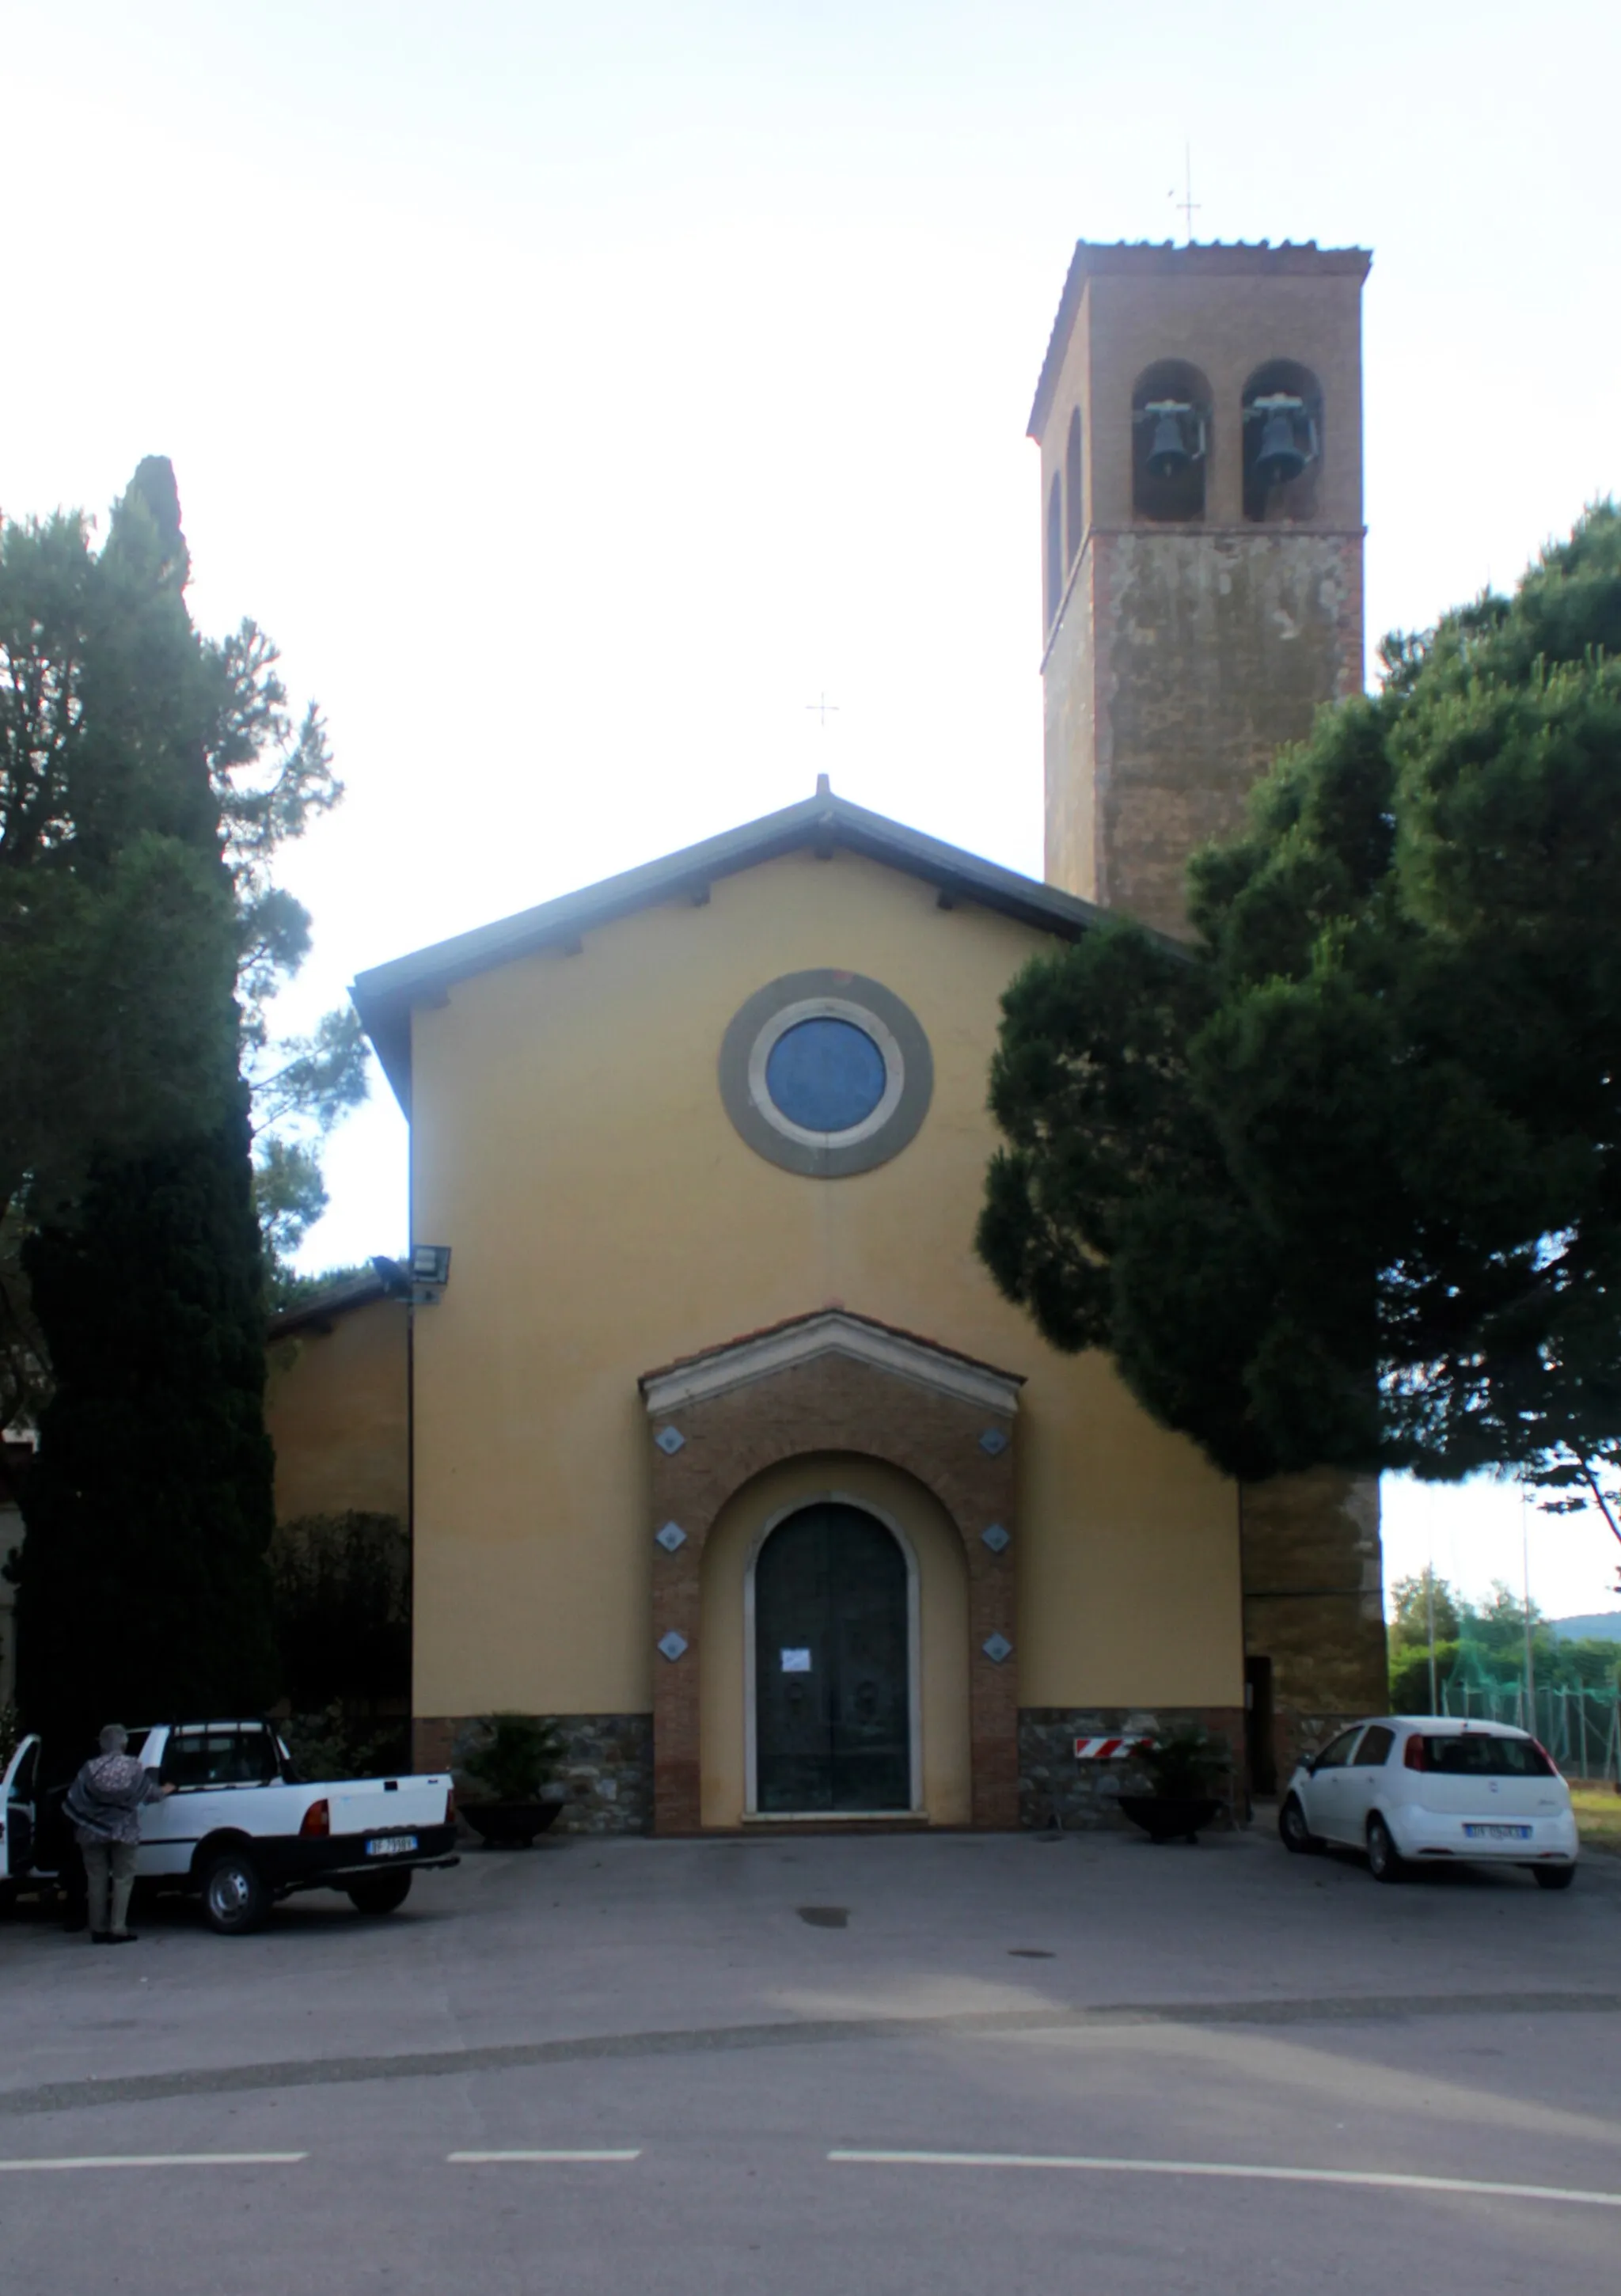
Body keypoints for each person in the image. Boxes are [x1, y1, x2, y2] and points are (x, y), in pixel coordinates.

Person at [63, 1725, 175, 1944]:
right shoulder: (132, 1767)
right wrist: (166, 1789)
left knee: (96, 1879)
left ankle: (97, 1929)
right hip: (124, 1831)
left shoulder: (89, 1768)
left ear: (102, 1744)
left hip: (91, 1831)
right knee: (123, 1879)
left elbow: (74, 1798)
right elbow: (149, 1793)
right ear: (123, 1743)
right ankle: (118, 1928)